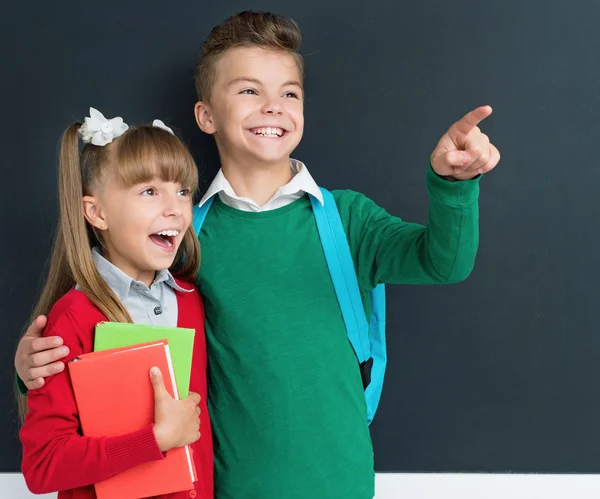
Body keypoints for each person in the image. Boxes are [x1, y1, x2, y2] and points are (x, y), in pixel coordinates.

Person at [15, 12, 500, 498]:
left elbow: (445, 263)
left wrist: (453, 185)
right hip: (229, 489)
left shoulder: (348, 219)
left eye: (289, 93)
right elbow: (122, 367)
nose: (273, 107)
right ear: (206, 116)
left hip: (342, 485)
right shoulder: (180, 240)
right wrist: (31, 373)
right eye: (249, 91)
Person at [18, 109, 213, 499]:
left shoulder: (192, 300)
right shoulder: (73, 319)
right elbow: (43, 467)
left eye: (182, 191)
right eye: (149, 191)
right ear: (97, 212)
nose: (175, 208)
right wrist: (154, 439)